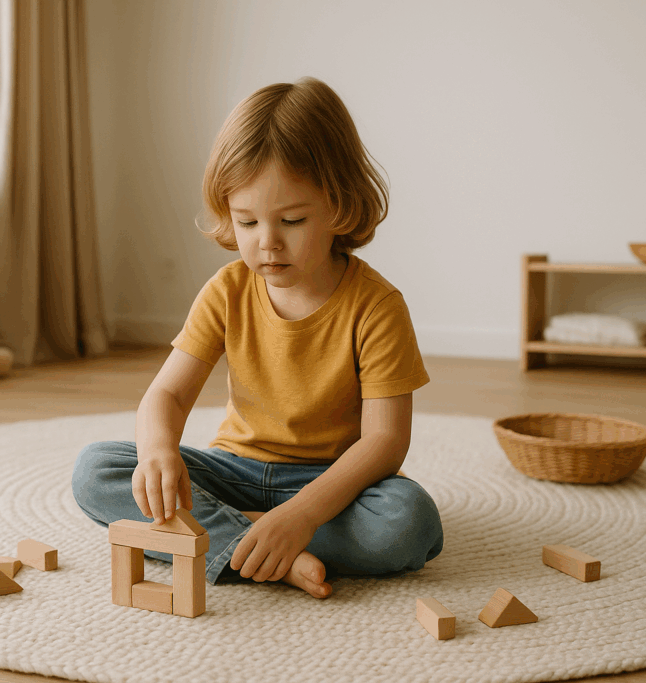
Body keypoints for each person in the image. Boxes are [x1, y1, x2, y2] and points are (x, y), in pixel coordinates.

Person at [72, 76, 442, 600]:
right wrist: (158, 450)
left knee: (408, 523)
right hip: (235, 470)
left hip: (330, 483)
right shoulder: (227, 289)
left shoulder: (377, 305)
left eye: (291, 219)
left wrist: (301, 513)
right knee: (97, 470)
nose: (266, 243)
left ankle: (232, 537)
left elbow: (384, 443)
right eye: (246, 222)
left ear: (338, 206)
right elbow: (168, 394)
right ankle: (262, 546)